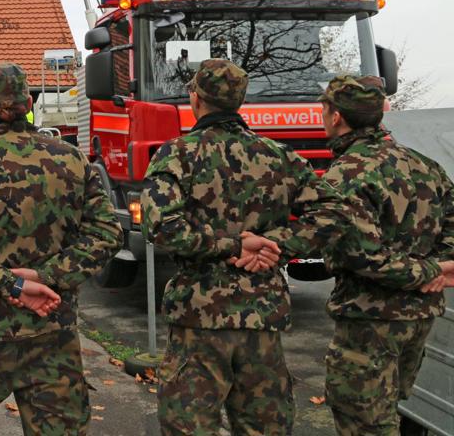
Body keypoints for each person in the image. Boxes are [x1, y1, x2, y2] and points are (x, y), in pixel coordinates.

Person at [142, 59, 358, 435]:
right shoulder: (277, 156)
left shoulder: (177, 154)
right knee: (264, 427)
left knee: (189, 426)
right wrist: (278, 245)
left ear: (196, 99)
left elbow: (161, 225)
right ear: (239, 102)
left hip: (199, 318)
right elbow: (336, 213)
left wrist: (229, 245)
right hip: (262, 315)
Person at [0, 62, 122, 435]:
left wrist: (10, 283)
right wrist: (45, 276)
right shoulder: (72, 160)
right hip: (52, 331)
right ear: (28, 102)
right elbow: (107, 234)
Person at [316, 75, 454, 435]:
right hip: (420, 315)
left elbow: (360, 256)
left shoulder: (344, 174)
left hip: (370, 320)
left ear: (335, 116)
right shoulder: (425, 166)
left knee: (365, 423)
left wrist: (428, 271)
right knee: (388, 412)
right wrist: (439, 269)